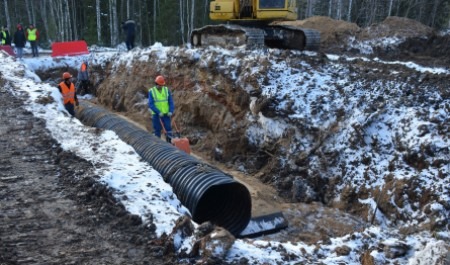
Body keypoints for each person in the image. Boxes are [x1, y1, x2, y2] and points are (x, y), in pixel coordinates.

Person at [148, 75, 175, 142]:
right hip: (157, 115)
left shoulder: (166, 90)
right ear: (156, 84)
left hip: (166, 114)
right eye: (160, 85)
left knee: (168, 129)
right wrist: (158, 112)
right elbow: (151, 104)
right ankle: (158, 143)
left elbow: (171, 102)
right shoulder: (152, 91)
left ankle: (169, 143)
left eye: (162, 85)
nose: (161, 87)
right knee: (157, 129)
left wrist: (171, 111)